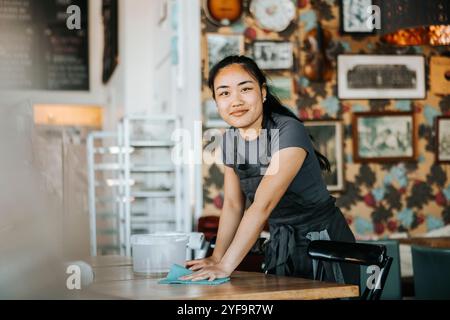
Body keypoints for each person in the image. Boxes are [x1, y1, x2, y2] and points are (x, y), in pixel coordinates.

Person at [180, 55, 359, 285]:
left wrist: (225, 266)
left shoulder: (288, 131)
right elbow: (234, 205)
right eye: (224, 93)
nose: (235, 101)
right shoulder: (229, 141)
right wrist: (217, 257)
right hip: (281, 244)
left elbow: (262, 206)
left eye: (245, 89)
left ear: (262, 93)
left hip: (324, 245)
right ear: (217, 102)